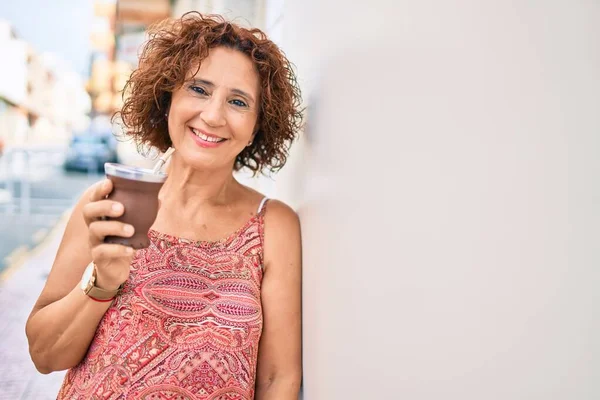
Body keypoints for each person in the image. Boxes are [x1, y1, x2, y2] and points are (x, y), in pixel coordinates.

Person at [25, 12, 303, 400]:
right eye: (199, 90)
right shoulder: (108, 202)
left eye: (238, 101)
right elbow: (44, 355)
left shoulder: (273, 226)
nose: (213, 115)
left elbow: (278, 380)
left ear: (258, 124)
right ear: (168, 97)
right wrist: (102, 283)